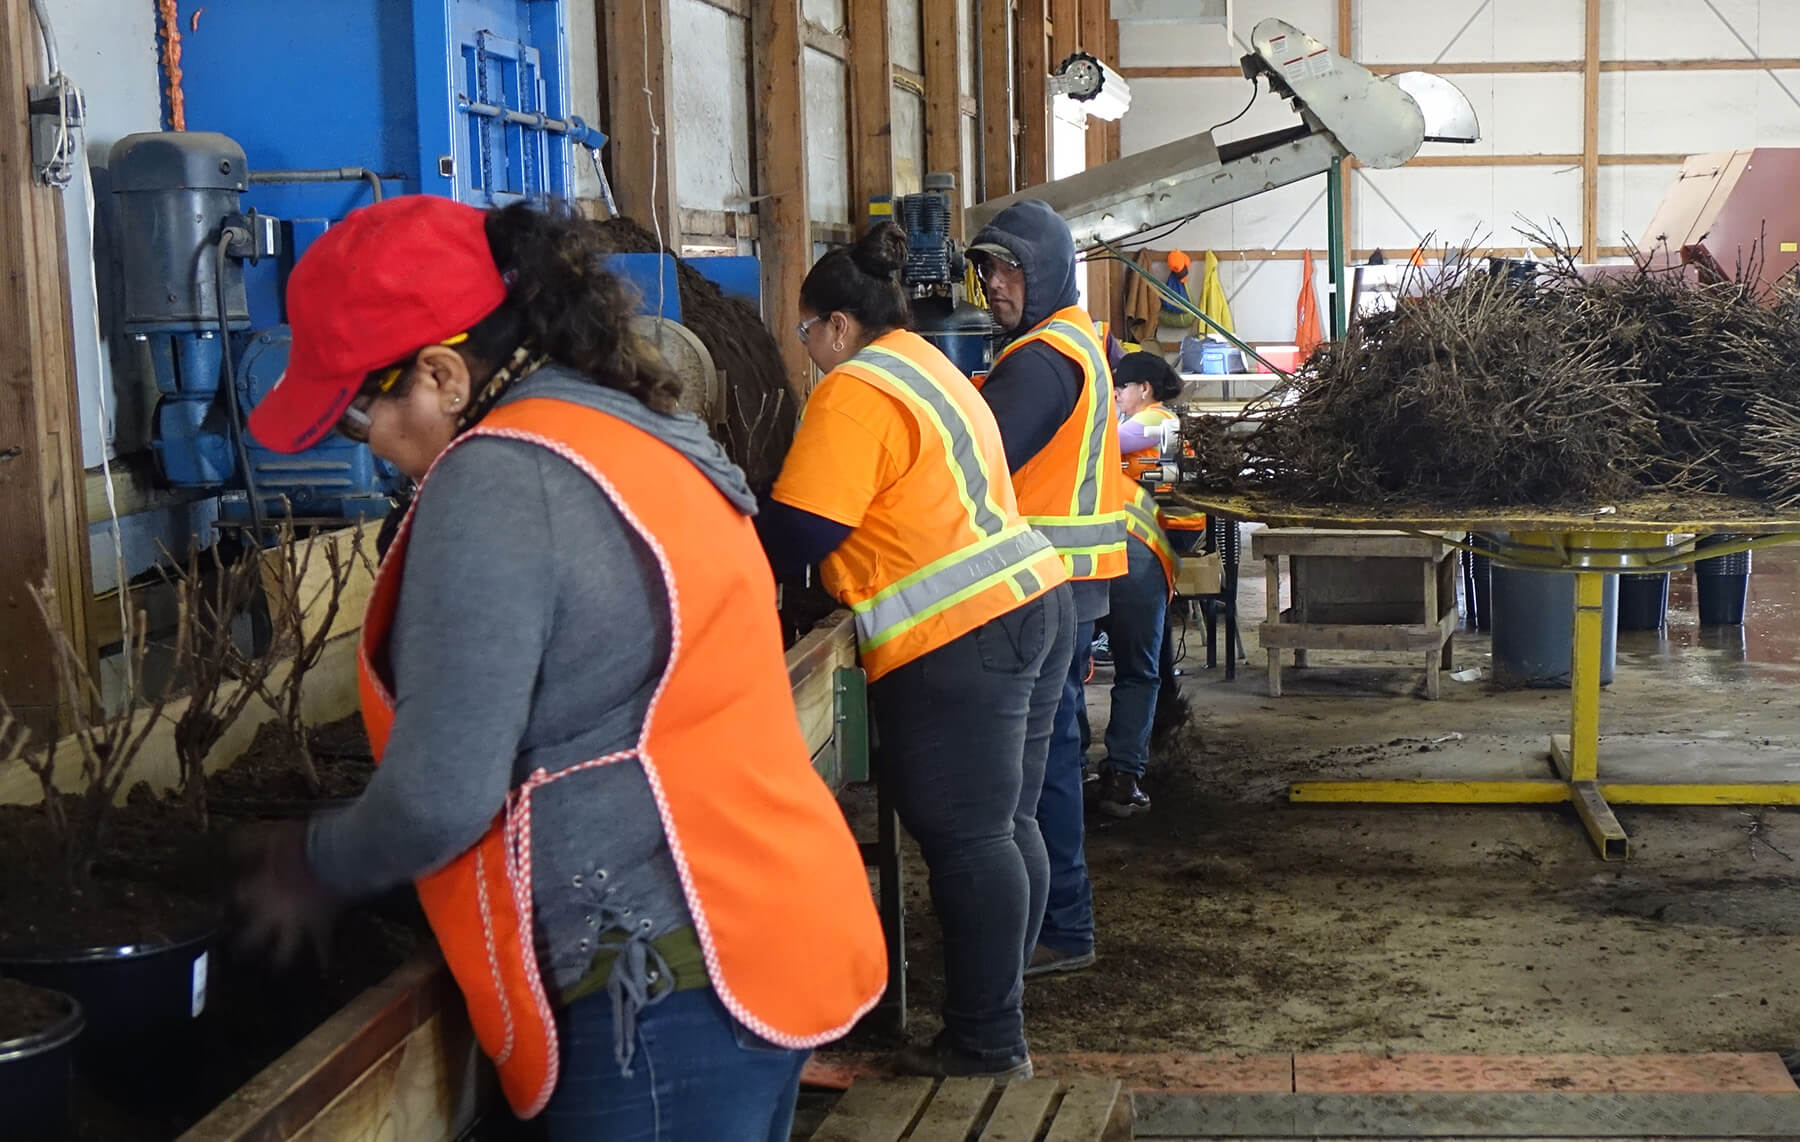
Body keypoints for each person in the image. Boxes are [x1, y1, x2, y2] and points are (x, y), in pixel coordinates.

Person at [237, 195, 887, 1140]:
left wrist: (309, 863)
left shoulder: (498, 479)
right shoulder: (630, 426)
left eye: (358, 413)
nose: (370, 442)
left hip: (658, 978)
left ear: (441, 373)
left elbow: (437, 797)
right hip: (758, 921)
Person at [759, 223, 1074, 1081]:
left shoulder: (854, 390)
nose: (809, 353)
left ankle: (986, 1040)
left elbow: (802, 528)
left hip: (959, 633)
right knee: (1006, 825)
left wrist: (731, 565)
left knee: (969, 839)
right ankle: (998, 1007)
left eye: (804, 334)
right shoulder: (928, 363)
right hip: (1029, 600)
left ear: (834, 327)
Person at [966, 200, 1128, 978]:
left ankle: (1060, 925)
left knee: (1042, 764)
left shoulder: (1040, 359)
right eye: (987, 269)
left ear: (1047, 271)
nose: (993, 284)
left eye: (1008, 269)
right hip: (1064, 585)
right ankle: (1063, 918)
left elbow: (977, 458)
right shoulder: (1065, 344)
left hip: (1045, 589)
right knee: (1053, 753)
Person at [1096, 352, 1185, 817]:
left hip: (1103, 555)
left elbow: (1106, 438)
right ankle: (1122, 778)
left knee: (1066, 672)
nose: (1117, 396)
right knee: (1138, 671)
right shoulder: (1153, 426)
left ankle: (1068, 775)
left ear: (1144, 389)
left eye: (1122, 389)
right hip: (1140, 558)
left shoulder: (1153, 423)